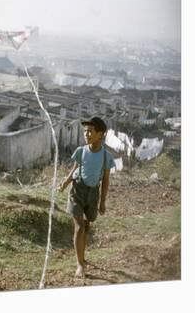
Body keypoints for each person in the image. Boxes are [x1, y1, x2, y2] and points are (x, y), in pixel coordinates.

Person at [59, 116, 116, 278]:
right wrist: (64, 183)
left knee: (87, 226)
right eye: (85, 131)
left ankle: (82, 257)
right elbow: (74, 170)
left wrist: (102, 201)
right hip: (77, 190)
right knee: (79, 226)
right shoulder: (81, 151)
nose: (87, 134)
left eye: (90, 131)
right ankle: (79, 264)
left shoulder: (106, 157)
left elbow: (105, 181)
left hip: (92, 194)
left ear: (101, 134)